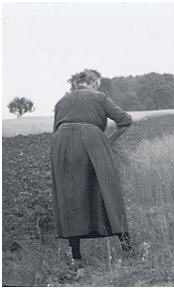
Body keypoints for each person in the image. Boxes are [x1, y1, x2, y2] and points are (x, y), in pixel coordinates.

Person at [51, 69, 133, 266]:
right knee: (108, 191)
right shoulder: (99, 97)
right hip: (91, 140)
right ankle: (128, 248)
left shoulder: (62, 101)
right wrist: (109, 141)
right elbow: (125, 119)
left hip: (61, 145)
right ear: (94, 82)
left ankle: (77, 257)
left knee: (70, 197)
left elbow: (55, 128)